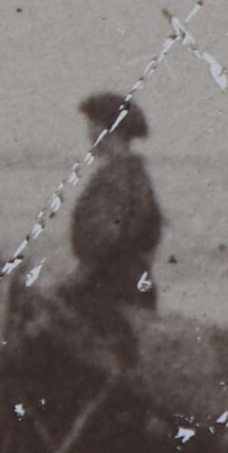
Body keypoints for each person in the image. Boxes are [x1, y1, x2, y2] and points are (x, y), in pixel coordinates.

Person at [62, 92, 161, 361]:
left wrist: (75, 283)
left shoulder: (117, 177)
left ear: (108, 131)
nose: (89, 135)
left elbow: (105, 239)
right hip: (129, 285)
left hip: (111, 289)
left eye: (92, 127)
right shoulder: (132, 174)